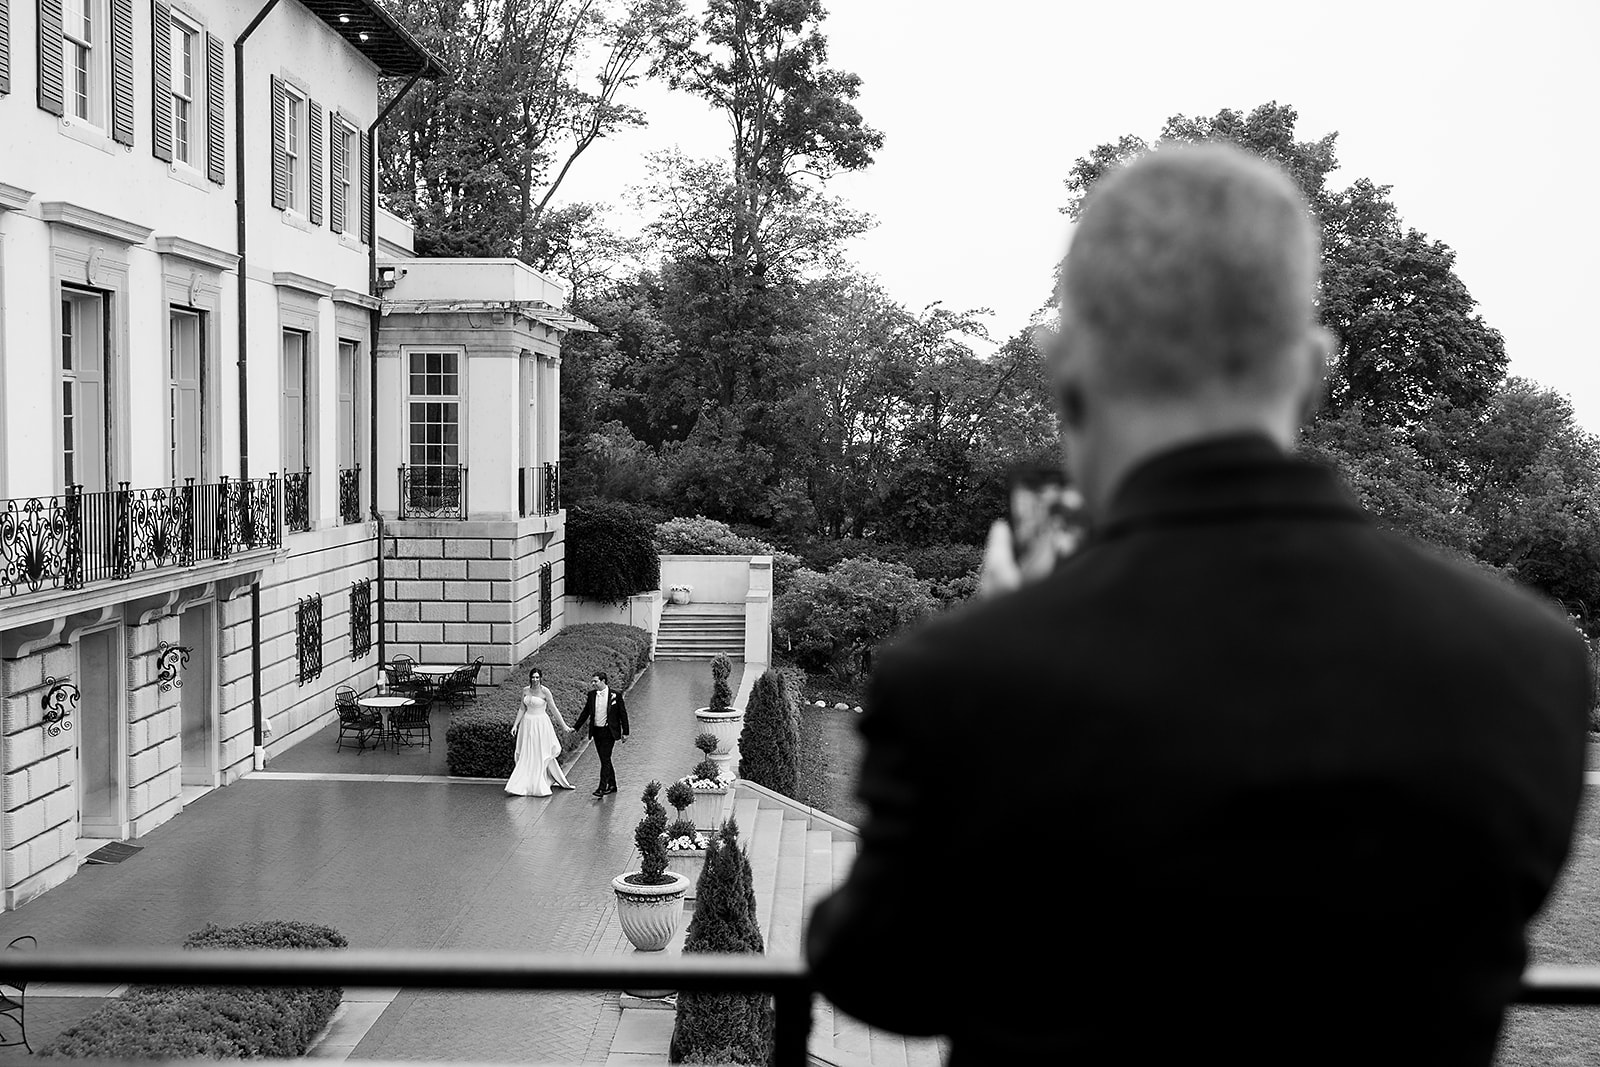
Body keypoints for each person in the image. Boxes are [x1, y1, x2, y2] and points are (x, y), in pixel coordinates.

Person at [805, 143, 1589, 1066]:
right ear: (1310, 366)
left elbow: (883, 974)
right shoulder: (1531, 661)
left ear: (1067, 364)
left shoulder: (967, 674)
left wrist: (1006, 632)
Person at [504, 667, 573, 798]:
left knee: (539, 751)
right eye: (533, 677)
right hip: (527, 724)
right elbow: (521, 708)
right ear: (530, 678)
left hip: (540, 724)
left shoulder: (545, 691)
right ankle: (523, 783)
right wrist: (515, 725)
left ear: (540, 678)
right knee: (527, 752)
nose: (535, 679)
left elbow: (554, 709)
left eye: (537, 677)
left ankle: (539, 781)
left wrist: (564, 726)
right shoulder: (525, 690)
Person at [572, 671, 629, 797]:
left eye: (595, 681)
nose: (593, 684)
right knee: (605, 759)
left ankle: (602, 788)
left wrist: (625, 732)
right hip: (597, 731)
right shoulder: (592, 695)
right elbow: (585, 712)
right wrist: (576, 727)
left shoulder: (615, 695)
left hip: (610, 732)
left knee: (605, 759)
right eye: (592, 681)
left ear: (603, 681)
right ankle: (613, 784)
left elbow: (623, 713)